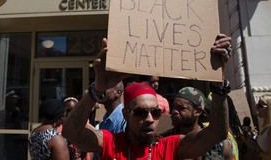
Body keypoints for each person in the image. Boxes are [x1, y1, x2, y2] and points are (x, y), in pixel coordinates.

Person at [62, 34, 232, 160]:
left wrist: (219, 83)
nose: (150, 119)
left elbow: (217, 133)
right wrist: (97, 89)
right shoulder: (111, 143)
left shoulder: (170, 146)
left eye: (156, 112)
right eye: (141, 113)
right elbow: (71, 132)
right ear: (126, 114)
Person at [161, 86, 233, 159]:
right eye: (173, 107)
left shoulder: (219, 144)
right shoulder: (163, 142)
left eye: (181, 108)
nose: (174, 111)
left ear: (198, 111)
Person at [242, 94, 271, 160]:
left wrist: (259, 153)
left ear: (269, 109)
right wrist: (250, 141)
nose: (257, 108)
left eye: (260, 106)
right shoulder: (266, 127)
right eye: (257, 105)